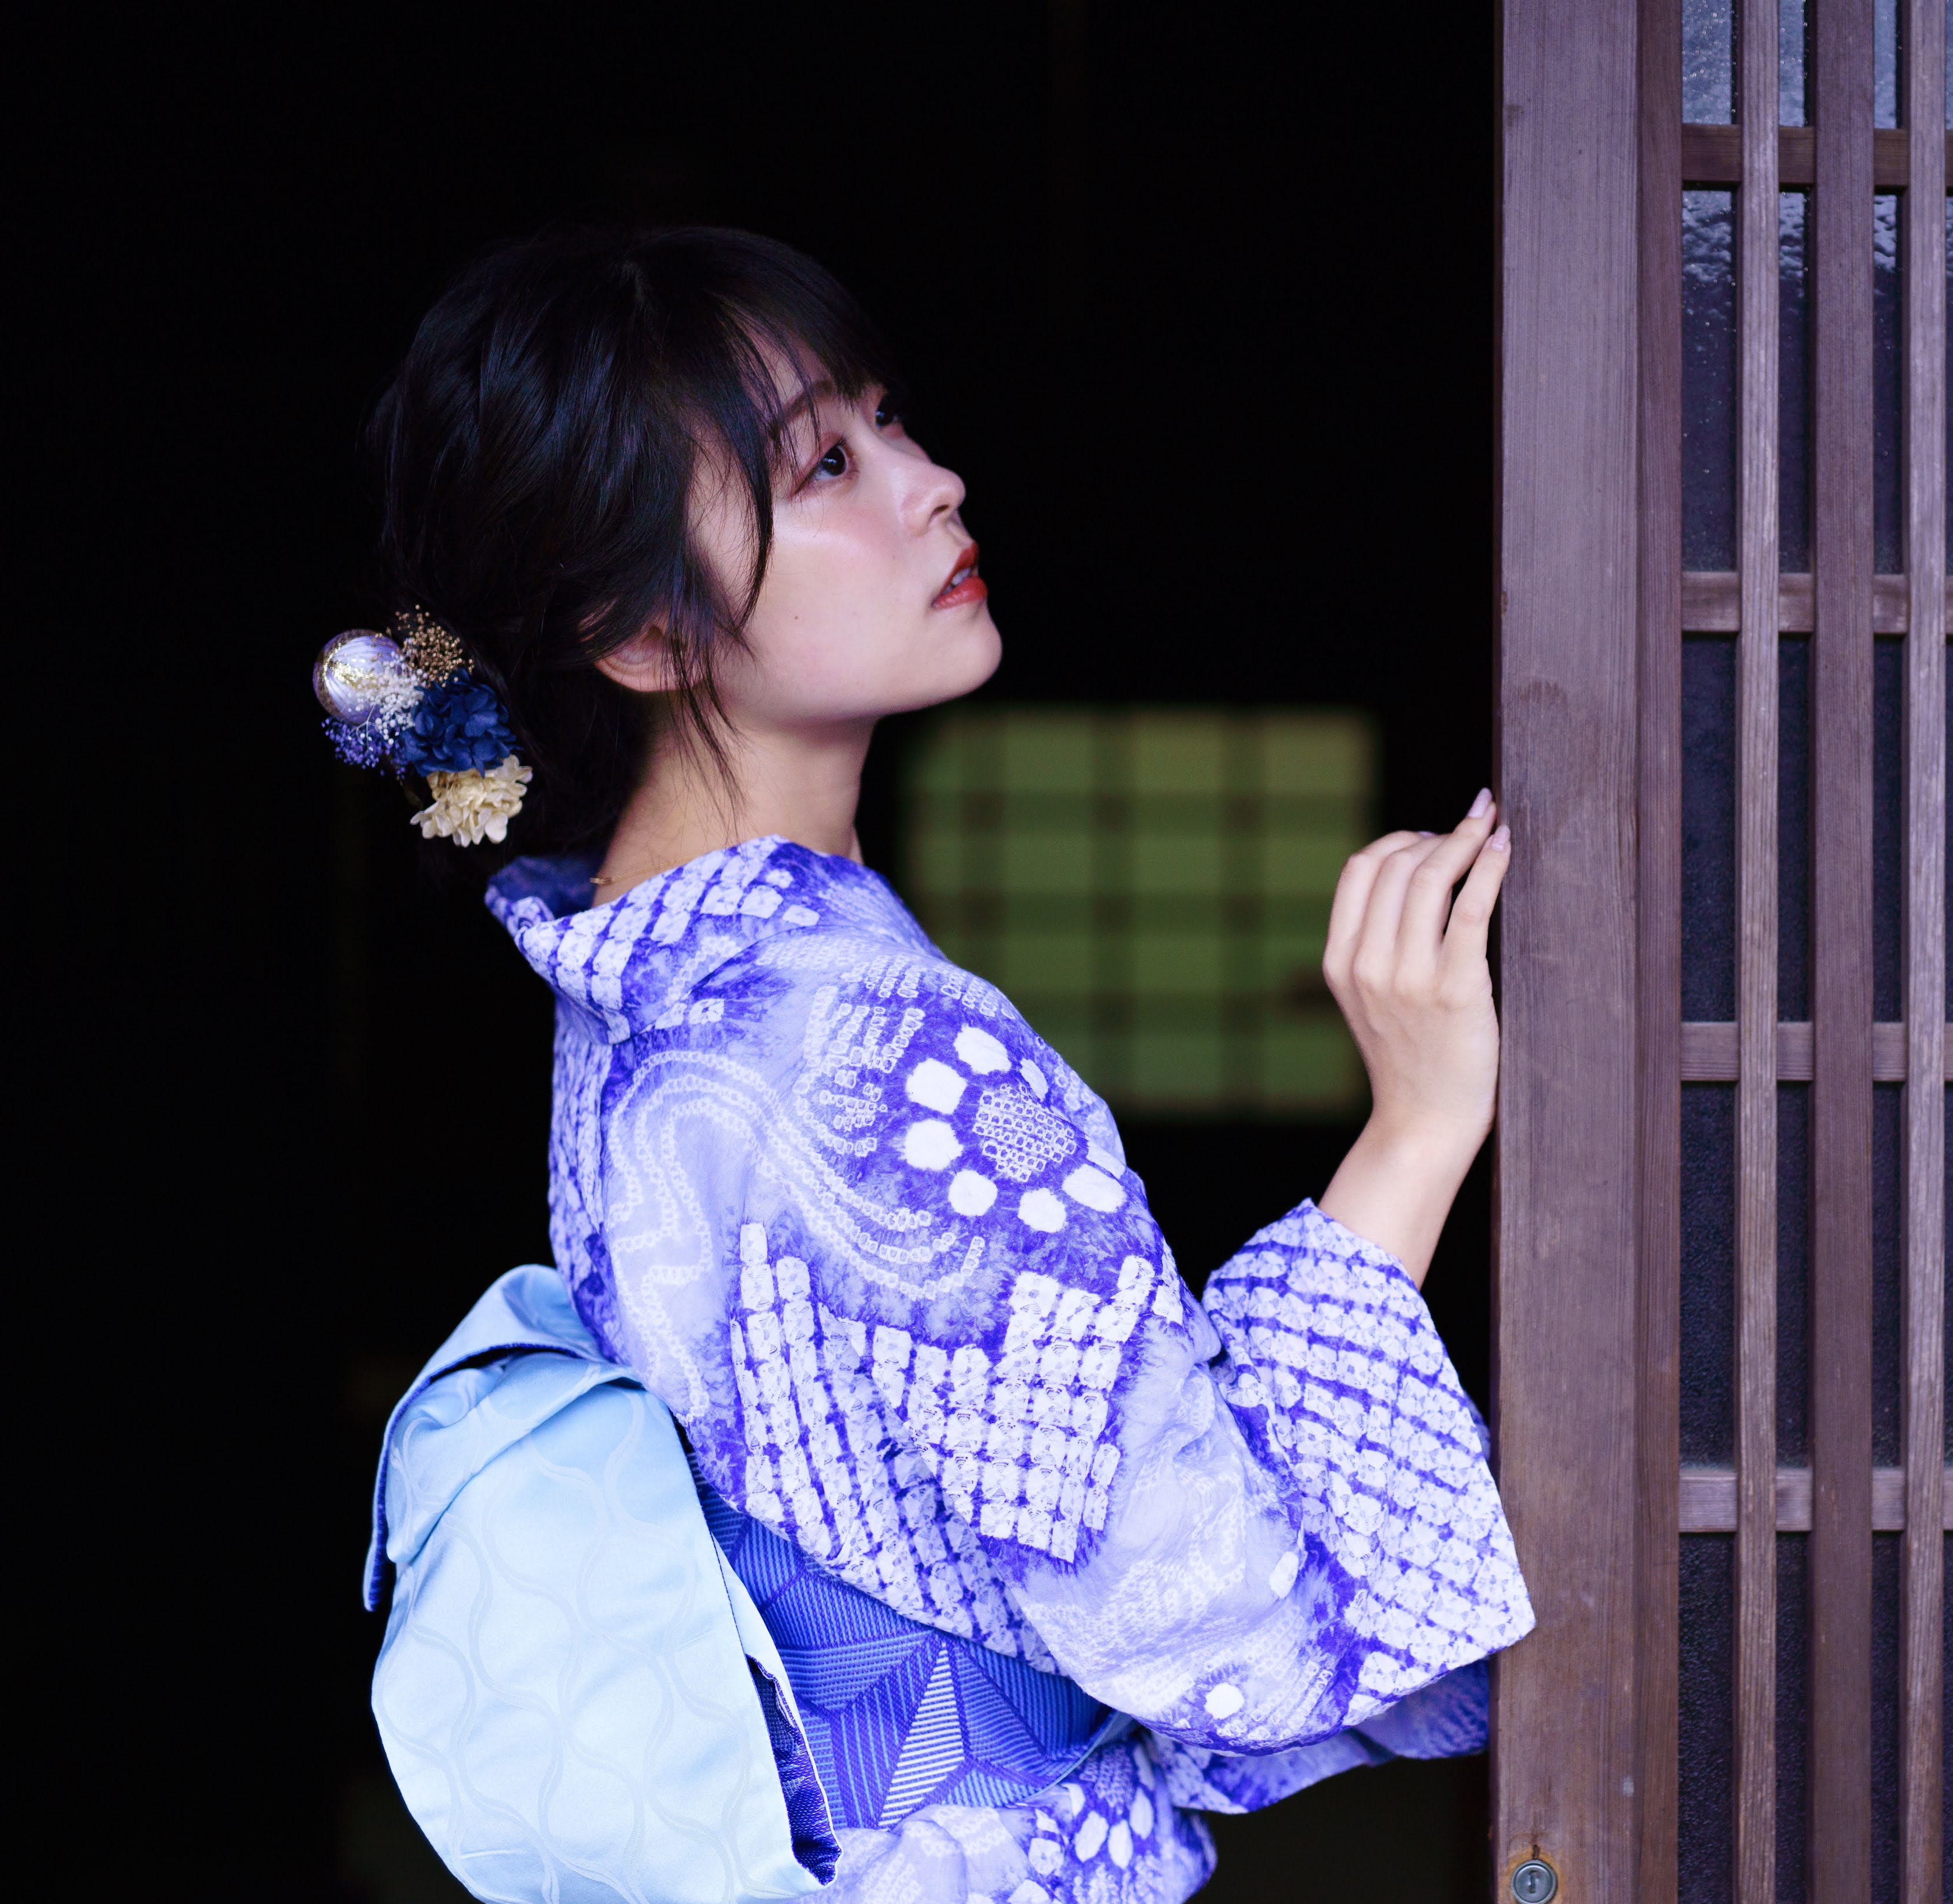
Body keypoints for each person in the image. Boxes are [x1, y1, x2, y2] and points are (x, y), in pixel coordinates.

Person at [337, 226, 1530, 1903]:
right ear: (642, 631)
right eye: (824, 463)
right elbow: (1226, 1621)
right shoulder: (880, 1045)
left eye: (887, 420)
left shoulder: (624, 972)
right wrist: (1412, 1131)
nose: (933, 481)